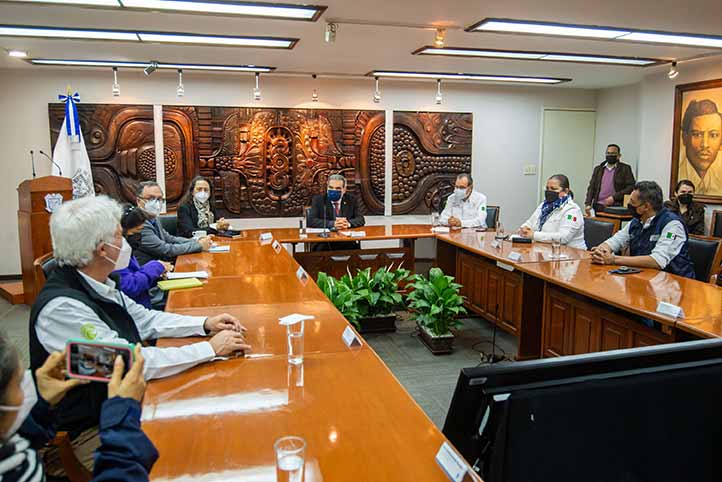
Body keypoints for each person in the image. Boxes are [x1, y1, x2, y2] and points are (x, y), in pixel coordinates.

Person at [30, 195, 251, 469]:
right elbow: (123, 364)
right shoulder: (60, 311)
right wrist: (209, 349)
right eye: (119, 236)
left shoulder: (97, 280)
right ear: (102, 249)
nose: (125, 243)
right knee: (202, 453)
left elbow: (144, 320)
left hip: (124, 405)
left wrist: (205, 324)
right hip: (94, 429)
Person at [0, 332, 157, 481]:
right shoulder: (18, 470)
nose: (27, 387)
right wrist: (122, 416)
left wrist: (42, 406)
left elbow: (16, 436)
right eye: (20, 383)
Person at [591, 181, 695, 278]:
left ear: (646, 206)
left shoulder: (673, 225)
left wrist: (613, 259)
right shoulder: (637, 221)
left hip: (674, 283)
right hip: (644, 277)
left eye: (632, 202)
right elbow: (616, 240)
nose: (629, 205)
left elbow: (657, 261)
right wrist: (601, 251)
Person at [132, 181, 213, 265]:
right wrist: (198, 245)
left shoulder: (153, 218)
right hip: (148, 272)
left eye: (159, 199)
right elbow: (165, 250)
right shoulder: (138, 223)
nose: (156, 203)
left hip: (162, 267)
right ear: (138, 201)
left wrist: (197, 241)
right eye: (151, 198)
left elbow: (170, 239)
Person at [113, 204, 172, 309]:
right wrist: (156, 266)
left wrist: (156, 276)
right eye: (137, 231)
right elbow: (130, 286)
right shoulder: (115, 253)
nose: (140, 235)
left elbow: (137, 275)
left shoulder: (128, 250)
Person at [519, 174, 587, 249]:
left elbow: (563, 237)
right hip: (545, 250)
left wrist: (534, 235)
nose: (549, 191)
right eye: (547, 188)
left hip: (572, 255)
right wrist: (524, 228)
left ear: (566, 191)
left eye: (553, 189)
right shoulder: (544, 205)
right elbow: (530, 222)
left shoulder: (572, 211)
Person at [307, 174, 365, 250]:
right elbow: (311, 221)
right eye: (331, 188)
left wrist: (347, 223)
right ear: (327, 188)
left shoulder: (351, 200)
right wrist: (333, 224)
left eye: (337, 188)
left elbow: (360, 219)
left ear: (344, 190)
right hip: (324, 241)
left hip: (345, 239)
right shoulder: (319, 200)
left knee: (354, 248)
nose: (333, 191)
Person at [678, 99, 722, 195]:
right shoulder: (678, 175)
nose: (705, 144)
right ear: (684, 138)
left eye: (713, 135)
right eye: (697, 134)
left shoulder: (718, 182)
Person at [584, 144, 636, 216]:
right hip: (598, 206)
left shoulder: (625, 169)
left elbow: (631, 187)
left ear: (619, 156)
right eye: (608, 153)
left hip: (615, 207)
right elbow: (591, 187)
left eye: (612, 153)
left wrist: (614, 197)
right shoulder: (598, 169)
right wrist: (588, 204)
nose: (610, 155)